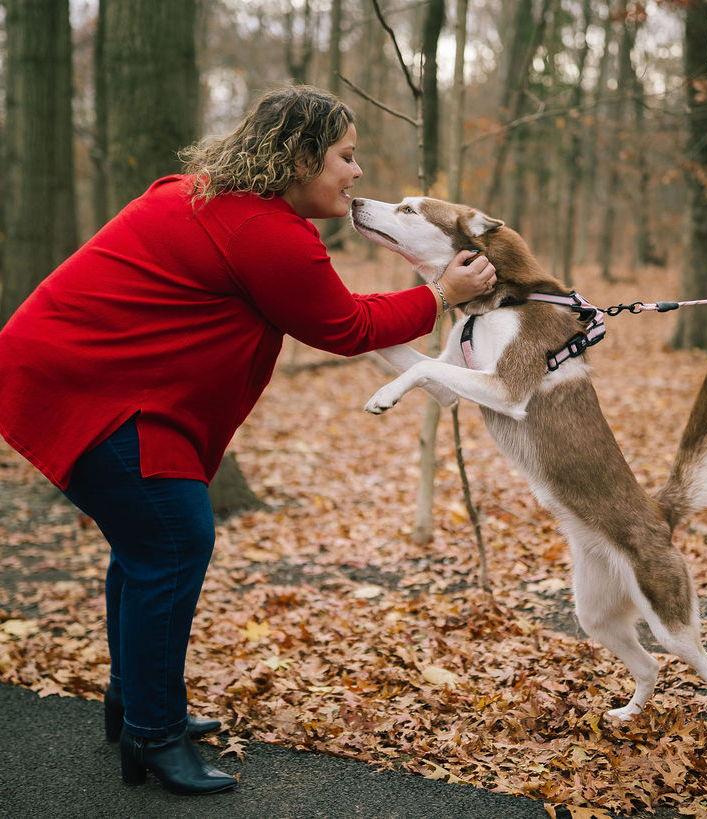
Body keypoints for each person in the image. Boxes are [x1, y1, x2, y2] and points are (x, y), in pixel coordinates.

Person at [0, 85, 496, 795]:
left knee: (150, 544)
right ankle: (153, 733)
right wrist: (441, 293)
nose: (356, 174)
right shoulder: (262, 230)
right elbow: (345, 327)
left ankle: (137, 703)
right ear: (298, 158)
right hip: (86, 387)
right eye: (345, 157)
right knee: (172, 538)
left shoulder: (221, 202)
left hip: (100, 384)